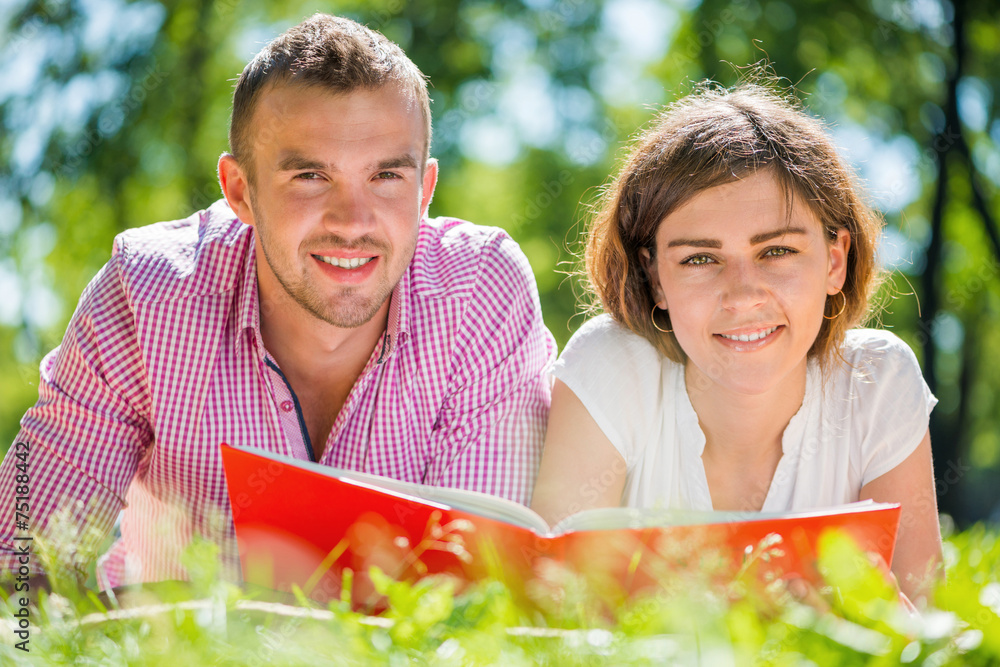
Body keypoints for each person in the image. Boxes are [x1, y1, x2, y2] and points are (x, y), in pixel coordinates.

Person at [0, 14, 556, 590]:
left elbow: (474, 592)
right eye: (312, 176)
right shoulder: (146, 293)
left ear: (425, 190)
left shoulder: (480, 293)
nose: (353, 223)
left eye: (387, 175)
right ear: (240, 190)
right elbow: (21, 560)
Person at [531, 81, 942, 602]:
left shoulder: (878, 381)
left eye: (777, 251)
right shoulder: (611, 365)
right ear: (656, 278)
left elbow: (924, 631)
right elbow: (554, 610)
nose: (743, 295)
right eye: (700, 259)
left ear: (835, 260)